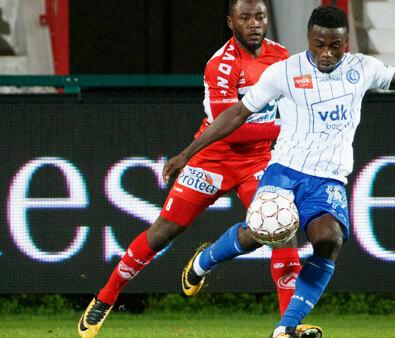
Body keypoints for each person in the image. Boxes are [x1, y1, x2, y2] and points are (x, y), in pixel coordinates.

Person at [166, 5, 395, 338]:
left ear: (346, 43)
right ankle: (204, 260)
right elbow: (237, 114)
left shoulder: (362, 68)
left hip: (328, 179)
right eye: (319, 44)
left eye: (335, 45)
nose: (326, 53)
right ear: (308, 39)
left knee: (329, 241)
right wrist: (187, 153)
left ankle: (286, 327)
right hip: (285, 171)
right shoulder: (284, 71)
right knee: (260, 234)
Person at [77, 1, 302, 337]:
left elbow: (294, 106)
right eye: (245, 18)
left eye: (260, 17)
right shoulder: (221, 66)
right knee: (163, 232)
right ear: (231, 22)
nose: (254, 24)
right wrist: (285, 129)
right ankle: (105, 298)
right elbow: (234, 128)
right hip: (213, 156)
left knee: (281, 228)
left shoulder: (281, 56)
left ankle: (287, 326)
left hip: (257, 160)